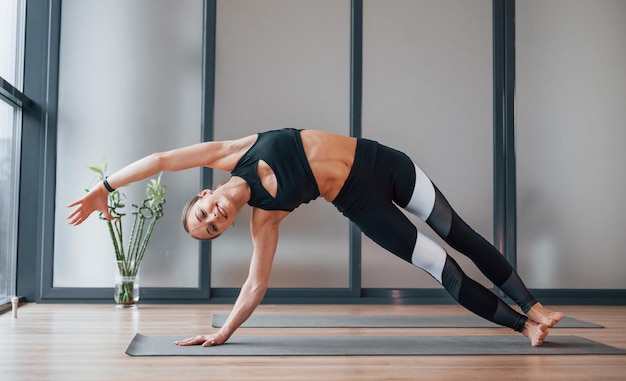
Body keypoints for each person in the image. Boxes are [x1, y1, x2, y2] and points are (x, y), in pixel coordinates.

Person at [67, 128, 563, 347]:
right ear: (227, 227)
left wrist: (102, 188)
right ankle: (525, 328)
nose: (214, 218)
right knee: (441, 265)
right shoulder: (267, 217)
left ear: (204, 193)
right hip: (359, 203)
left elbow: (158, 160)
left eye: (205, 213)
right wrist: (223, 333)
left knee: (463, 235)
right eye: (213, 228)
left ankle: (534, 306)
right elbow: (255, 286)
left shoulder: (233, 151)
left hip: (385, 164)